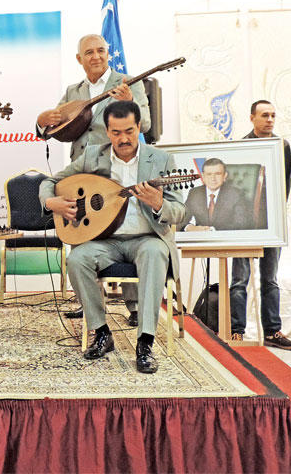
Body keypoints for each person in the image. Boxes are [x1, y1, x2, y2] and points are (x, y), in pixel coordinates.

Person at [39, 101, 185, 373]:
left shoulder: (162, 160)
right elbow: (50, 181)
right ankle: (102, 332)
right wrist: (51, 202)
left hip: (147, 238)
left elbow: (179, 211)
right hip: (105, 240)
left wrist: (159, 204)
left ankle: (145, 342)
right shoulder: (92, 156)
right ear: (107, 131)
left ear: (139, 127)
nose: (123, 138)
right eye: (116, 132)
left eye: (129, 131)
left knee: (155, 253)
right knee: (77, 259)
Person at [36, 34, 151, 326]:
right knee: (80, 228)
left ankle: (135, 306)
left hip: (117, 167)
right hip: (81, 169)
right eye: (89, 52)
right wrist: (42, 122)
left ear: (108, 54)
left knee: (124, 228)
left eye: (101, 50)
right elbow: (55, 127)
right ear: (80, 59)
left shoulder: (128, 83)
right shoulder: (73, 91)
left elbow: (146, 124)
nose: (96, 56)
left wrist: (130, 102)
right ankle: (88, 301)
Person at [230, 100, 291, 350]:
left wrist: (276, 215)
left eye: (272, 115)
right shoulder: (241, 146)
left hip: (272, 222)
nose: (269, 120)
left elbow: (285, 183)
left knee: (270, 278)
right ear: (252, 118)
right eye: (264, 115)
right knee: (240, 279)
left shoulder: (282, 146)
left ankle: (272, 331)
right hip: (244, 223)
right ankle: (236, 332)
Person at [179, 158, 251, 231]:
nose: (213, 178)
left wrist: (211, 230)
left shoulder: (236, 194)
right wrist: (189, 227)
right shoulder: (195, 193)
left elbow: (241, 224)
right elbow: (180, 219)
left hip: (225, 237)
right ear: (203, 176)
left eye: (217, 174)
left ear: (225, 176)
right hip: (200, 237)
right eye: (209, 174)